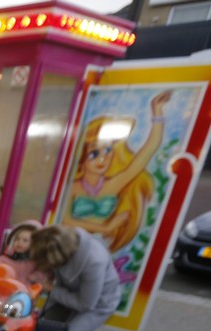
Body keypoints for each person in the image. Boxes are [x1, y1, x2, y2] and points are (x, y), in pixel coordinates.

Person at [68, 90, 171, 253]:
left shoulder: (113, 184)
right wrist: (106, 227)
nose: (102, 159)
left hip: (98, 247)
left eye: (108, 151)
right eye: (94, 154)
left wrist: (157, 111)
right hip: (68, 244)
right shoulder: (73, 187)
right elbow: (66, 220)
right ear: (82, 157)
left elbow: (150, 149)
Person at [0, 220, 43, 284]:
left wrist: (36, 276)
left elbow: (43, 273)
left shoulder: (35, 262)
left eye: (25, 240)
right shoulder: (4, 259)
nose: (20, 242)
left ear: (35, 244)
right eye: (17, 239)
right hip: (6, 286)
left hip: (25, 289)